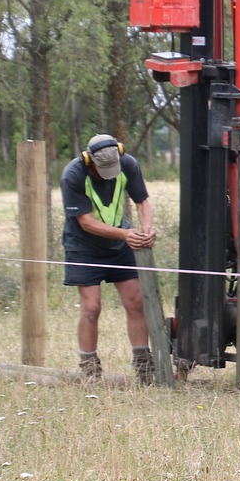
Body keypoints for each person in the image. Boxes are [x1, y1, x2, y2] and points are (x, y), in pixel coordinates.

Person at [60, 133, 157, 383]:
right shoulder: (73, 175)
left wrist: (146, 228)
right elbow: (87, 223)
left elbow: (142, 202)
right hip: (84, 247)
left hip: (121, 244)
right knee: (92, 307)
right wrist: (126, 234)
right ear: (88, 160)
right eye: (104, 169)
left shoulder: (128, 164)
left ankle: (144, 366)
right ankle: (89, 369)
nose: (110, 173)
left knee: (136, 302)